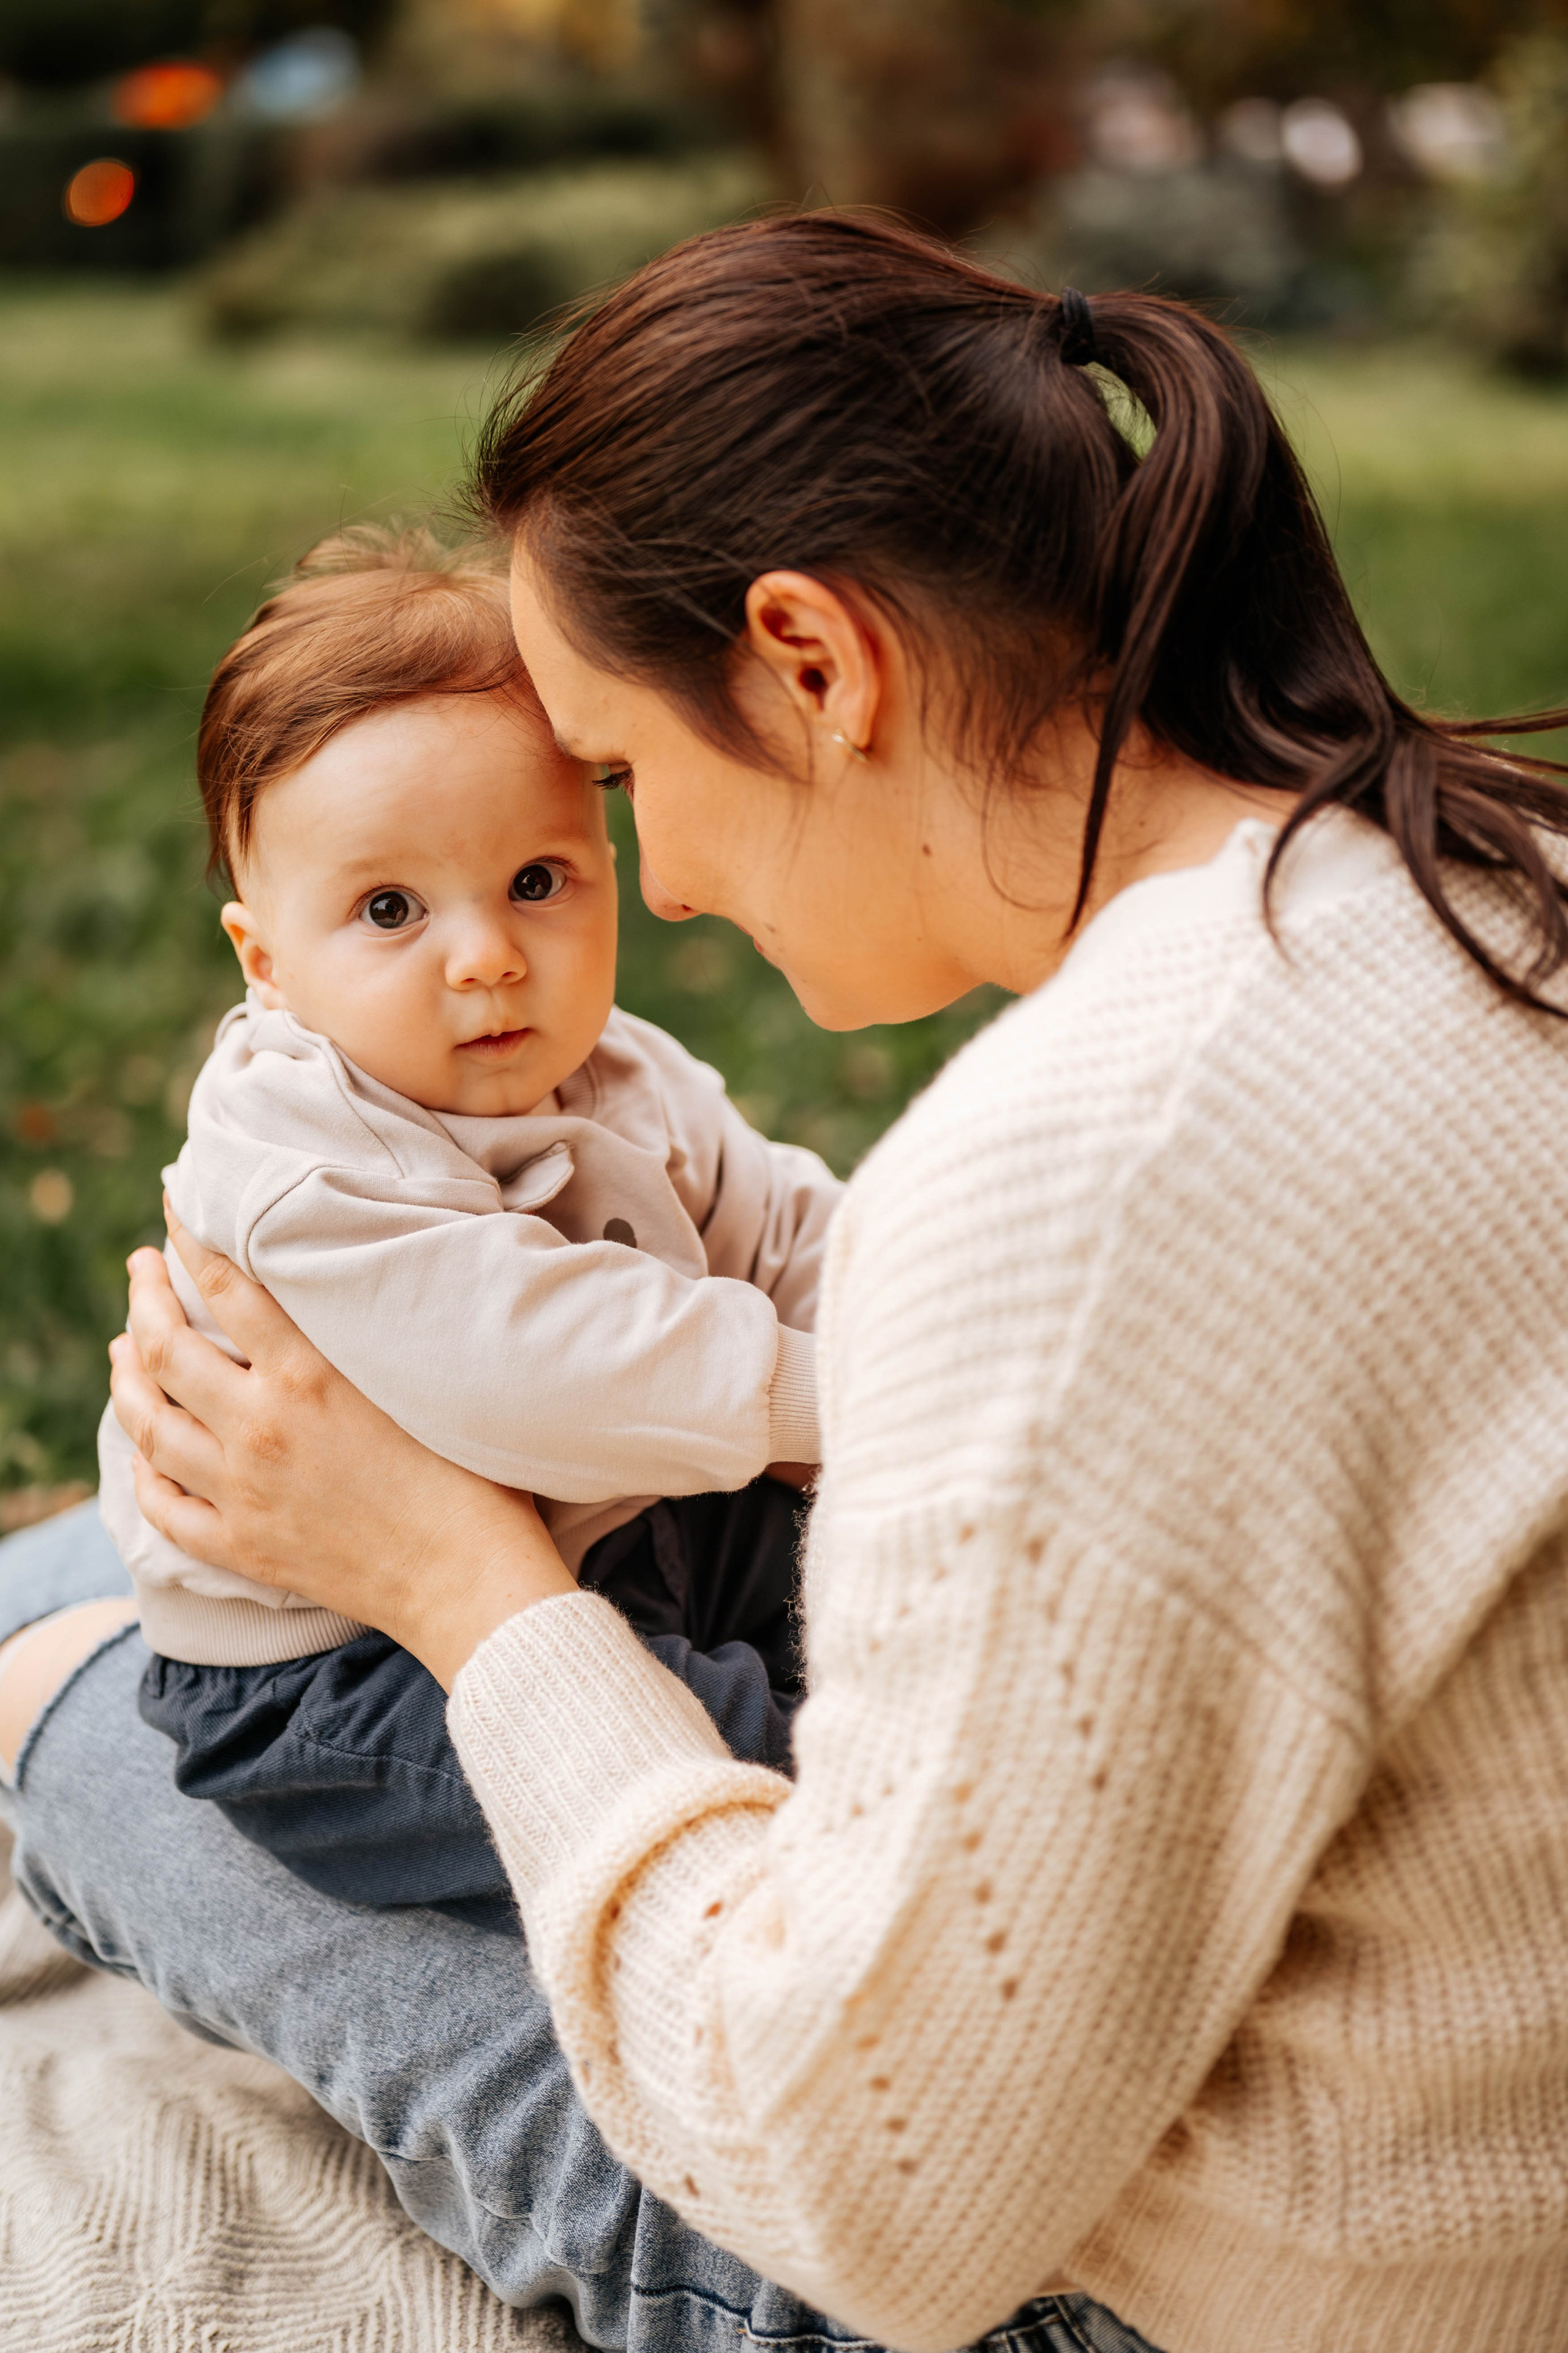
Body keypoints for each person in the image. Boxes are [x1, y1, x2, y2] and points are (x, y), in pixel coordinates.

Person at [6, 212, 1568, 2353]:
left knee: (105, 1734)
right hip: (1457, 2099)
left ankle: (51, 1702)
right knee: (148, 1535)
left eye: (618, 787)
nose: (648, 881)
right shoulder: (1498, 883)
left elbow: (882, 2189)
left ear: (814, 664)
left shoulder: (1075, 1194)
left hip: (1198, 2288)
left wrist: (472, 1598)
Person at [94, 527, 834, 1906]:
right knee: (737, 1759)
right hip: (340, 1673)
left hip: (606, 1524)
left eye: (536, 883)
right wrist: (831, 1398)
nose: (487, 954)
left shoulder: (610, 1067)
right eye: (389, 908)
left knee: (854, 1575)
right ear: (268, 962)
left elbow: (772, 1212)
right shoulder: (302, 1161)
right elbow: (536, 1356)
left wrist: (905, 1316)